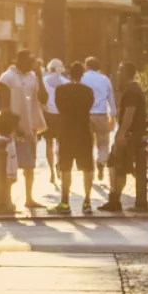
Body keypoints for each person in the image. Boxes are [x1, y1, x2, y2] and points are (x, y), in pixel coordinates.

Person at [0, 50, 47, 208]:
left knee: (29, 164)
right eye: (30, 61)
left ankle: (29, 198)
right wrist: (13, 126)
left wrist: (40, 77)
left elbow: (43, 98)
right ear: (19, 61)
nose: (32, 64)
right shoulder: (7, 78)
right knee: (10, 165)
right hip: (12, 130)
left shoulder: (32, 76)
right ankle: (7, 198)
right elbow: (3, 106)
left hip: (29, 127)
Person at [101, 63, 147, 212]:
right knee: (115, 163)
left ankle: (115, 200)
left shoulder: (132, 91)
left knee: (119, 165)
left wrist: (121, 134)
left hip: (129, 135)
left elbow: (129, 114)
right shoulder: (132, 89)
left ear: (126, 73)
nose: (117, 73)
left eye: (120, 71)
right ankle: (114, 197)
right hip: (130, 134)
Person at [52, 62, 96, 214]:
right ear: (82, 74)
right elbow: (89, 107)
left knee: (65, 166)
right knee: (87, 167)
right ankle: (87, 201)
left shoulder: (60, 90)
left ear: (69, 74)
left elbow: (59, 108)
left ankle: (65, 202)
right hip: (84, 130)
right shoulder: (88, 91)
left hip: (66, 131)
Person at [82, 57, 117, 181]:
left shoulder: (83, 78)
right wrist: (112, 118)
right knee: (103, 143)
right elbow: (111, 100)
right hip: (102, 115)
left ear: (87, 66)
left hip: (86, 115)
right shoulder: (105, 79)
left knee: (87, 144)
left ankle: (90, 169)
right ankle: (101, 161)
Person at [41, 59, 68, 186]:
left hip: (48, 114)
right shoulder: (65, 82)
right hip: (61, 115)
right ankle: (59, 166)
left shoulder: (44, 81)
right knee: (60, 144)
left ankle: (51, 171)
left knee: (48, 144)